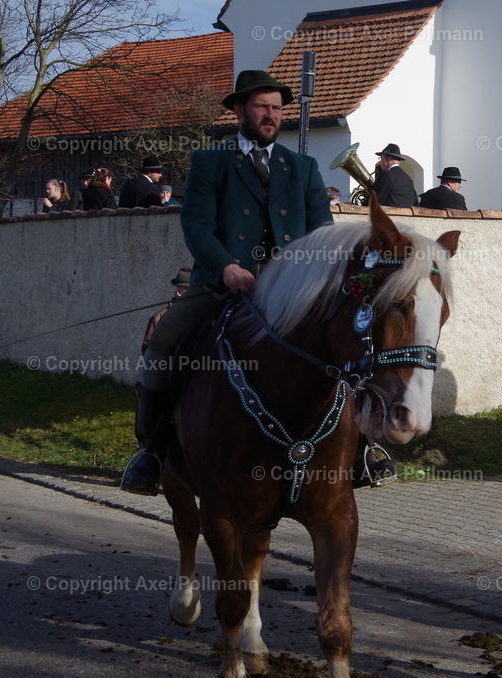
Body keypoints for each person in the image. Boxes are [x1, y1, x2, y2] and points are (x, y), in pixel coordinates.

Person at [120, 69, 332, 496]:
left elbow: (321, 231)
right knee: (164, 345)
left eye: (276, 107)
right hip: (220, 285)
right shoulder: (210, 161)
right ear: (238, 110)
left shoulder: (303, 167)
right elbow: (197, 226)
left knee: (344, 343)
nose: (271, 115)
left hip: (288, 292)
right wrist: (226, 268)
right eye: (261, 106)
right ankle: (151, 451)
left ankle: (361, 449)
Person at [141, 267, 190, 354]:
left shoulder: (203, 314)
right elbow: (147, 352)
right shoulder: (159, 318)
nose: (192, 292)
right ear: (178, 292)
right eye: (187, 289)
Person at [371, 143, 418, 208]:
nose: (380, 162)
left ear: (386, 159)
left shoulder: (387, 176)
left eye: (381, 159)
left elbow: (373, 202)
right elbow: (415, 203)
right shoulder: (409, 180)